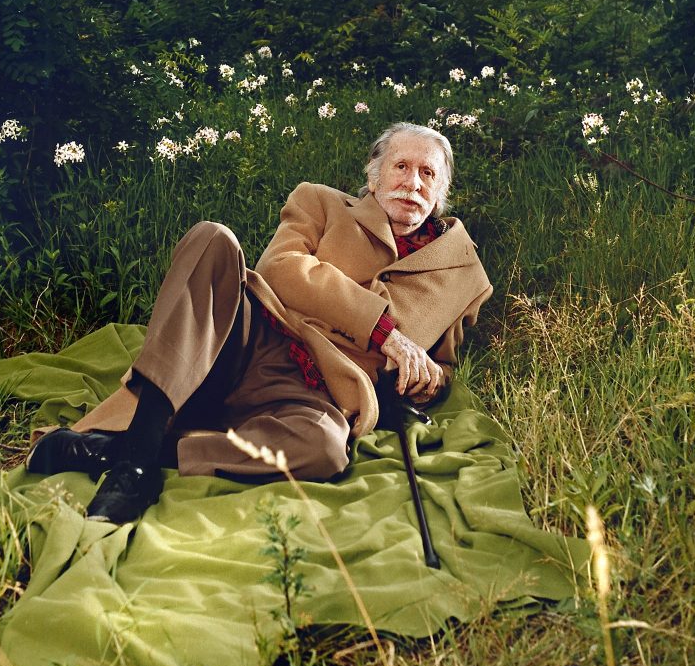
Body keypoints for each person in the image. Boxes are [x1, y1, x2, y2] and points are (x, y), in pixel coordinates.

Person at [26, 121, 492, 523]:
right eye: (401, 167)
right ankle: (136, 472)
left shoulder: (465, 274)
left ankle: (129, 450)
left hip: (316, 393)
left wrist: (429, 383)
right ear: (374, 176)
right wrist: (383, 331)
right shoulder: (321, 203)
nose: (413, 183)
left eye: (428, 173)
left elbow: (443, 364)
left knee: (326, 448)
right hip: (253, 336)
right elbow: (280, 267)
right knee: (214, 240)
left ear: (441, 193)